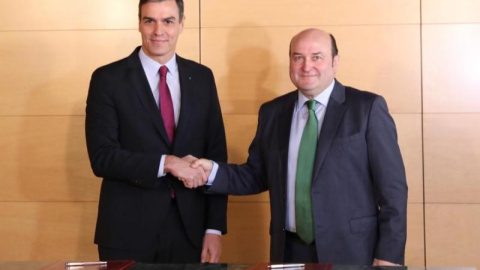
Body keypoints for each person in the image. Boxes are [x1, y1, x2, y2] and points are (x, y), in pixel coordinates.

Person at [185, 28, 408, 265]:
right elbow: (256, 175)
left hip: (352, 251)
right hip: (289, 250)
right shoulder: (272, 112)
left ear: (335, 62)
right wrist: (211, 171)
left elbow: (393, 191)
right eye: (298, 57)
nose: (306, 66)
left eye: (317, 57)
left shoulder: (367, 108)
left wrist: (388, 257)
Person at [85, 0, 228, 263]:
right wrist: (168, 163)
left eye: (168, 21)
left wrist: (214, 228)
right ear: (139, 23)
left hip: (191, 232)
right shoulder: (108, 79)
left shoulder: (202, 78)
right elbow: (102, 157)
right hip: (126, 232)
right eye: (150, 20)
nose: (158, 30)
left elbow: (216, 155)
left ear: (182, 24)